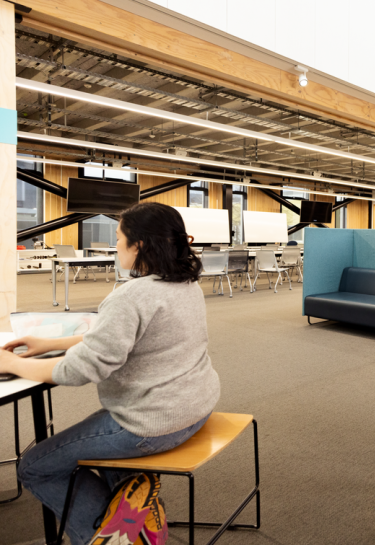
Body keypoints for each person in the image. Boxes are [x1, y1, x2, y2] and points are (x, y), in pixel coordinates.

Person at [0, 202, 220, 545]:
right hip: (195, 410)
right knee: (109, 457)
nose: (115, 246)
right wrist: (49, 342)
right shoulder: (184, 285)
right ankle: (137, 514)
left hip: (149, 424)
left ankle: (112, 537)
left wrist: (12, 365)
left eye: (119, 239)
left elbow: (78, 370)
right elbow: (123, 336)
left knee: (34, 467)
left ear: (139, 245)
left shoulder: (131, 296)